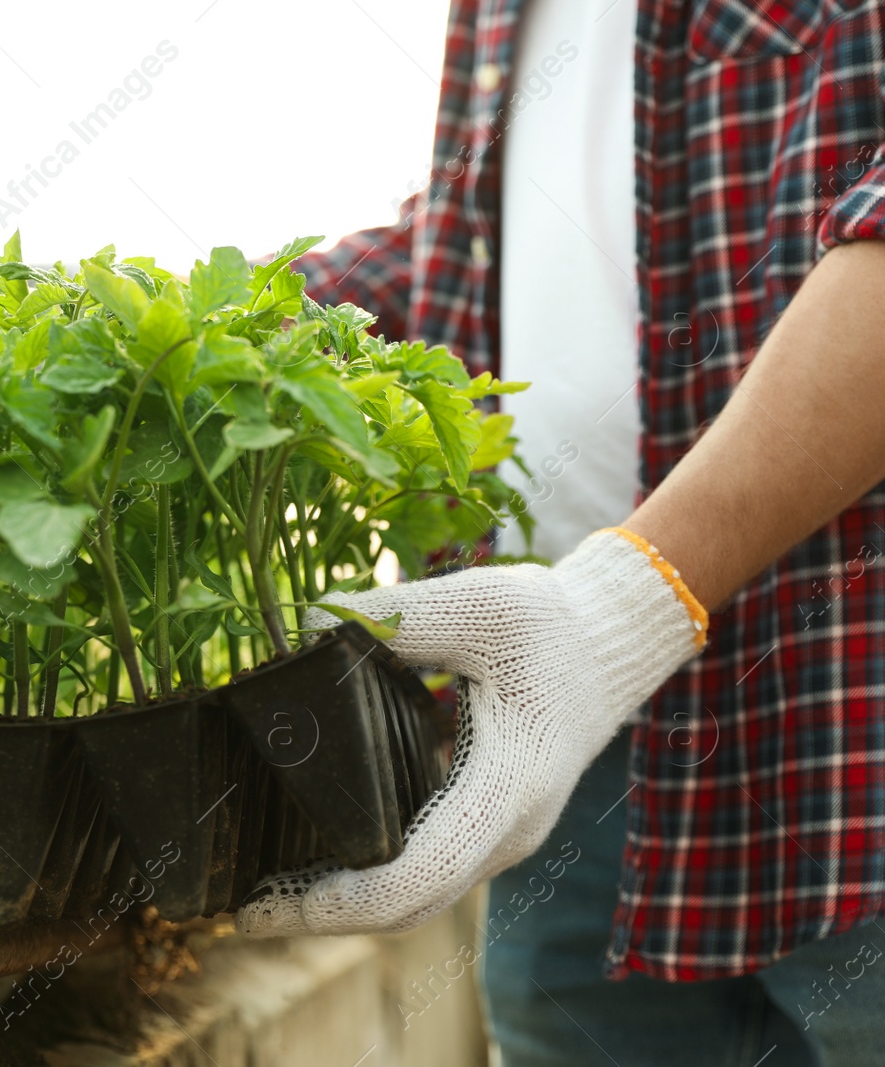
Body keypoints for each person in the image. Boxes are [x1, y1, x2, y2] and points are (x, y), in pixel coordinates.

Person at [237, 1, 885, 1064]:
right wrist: (157, 328)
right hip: (579, 732)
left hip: (832, 706)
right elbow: (472, 246)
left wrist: (621, 604)